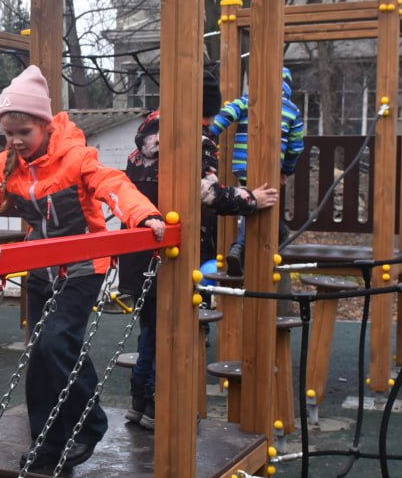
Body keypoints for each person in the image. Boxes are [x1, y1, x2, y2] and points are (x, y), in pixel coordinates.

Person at [0, 65, 164, 473]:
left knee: (58, 343)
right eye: (9, 134)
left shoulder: (76, 159)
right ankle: (48, 442)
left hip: (81, 268)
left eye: (25, 132)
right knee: (40, 354)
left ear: (46, 125)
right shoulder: (6, 167)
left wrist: (142, 216)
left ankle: (89, 424)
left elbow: (114, 184)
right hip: (39, 269)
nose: (17, 141)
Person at [119, 72, 278, 430]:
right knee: (175, 331)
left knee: (151, 328)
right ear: (207, 110)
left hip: (137, 251)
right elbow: (208, 193)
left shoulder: (140, 143)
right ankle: (162, 405)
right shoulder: (195, 139)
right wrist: (252, 199)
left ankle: (141, 401)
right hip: (173, 253)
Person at [206, 66, 305, 276]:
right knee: (260, 202)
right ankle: (240, 246)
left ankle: (275, 232)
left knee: (255, 201)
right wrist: (286, 169)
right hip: (271, 166)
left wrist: (208, 135)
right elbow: (296, 145)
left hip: (243, 164)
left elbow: (226, 114)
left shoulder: (247, 99)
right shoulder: (292, 110)